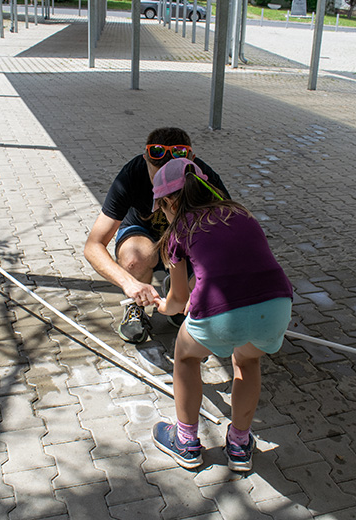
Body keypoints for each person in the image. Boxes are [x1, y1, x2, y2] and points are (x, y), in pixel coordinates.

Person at [148, 158, 293, 471]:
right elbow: (236, 265)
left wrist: (162, 306)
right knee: (247, 360)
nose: (163, 213)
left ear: (170, 201)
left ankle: (185, 441)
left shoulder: (179, 230)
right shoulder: (241, 212)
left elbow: (178, 299)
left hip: (223, 313)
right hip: (277, 303)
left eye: (162, 207)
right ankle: (240, 445)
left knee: (186, 357)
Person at [84, 128, 229, 344]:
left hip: (186, 240)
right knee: (135, 258)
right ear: (146, 160)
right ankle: (137, 305)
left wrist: (207, 290)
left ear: (192, 162)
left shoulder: (206, 178)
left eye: (174, 179)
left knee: (205, 281)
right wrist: (128, 283)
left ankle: (180, 294)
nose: (165, 186)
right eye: (158, 175)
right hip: (143, 236)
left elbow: (227, 238)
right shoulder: (132, 175)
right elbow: (93, 245)